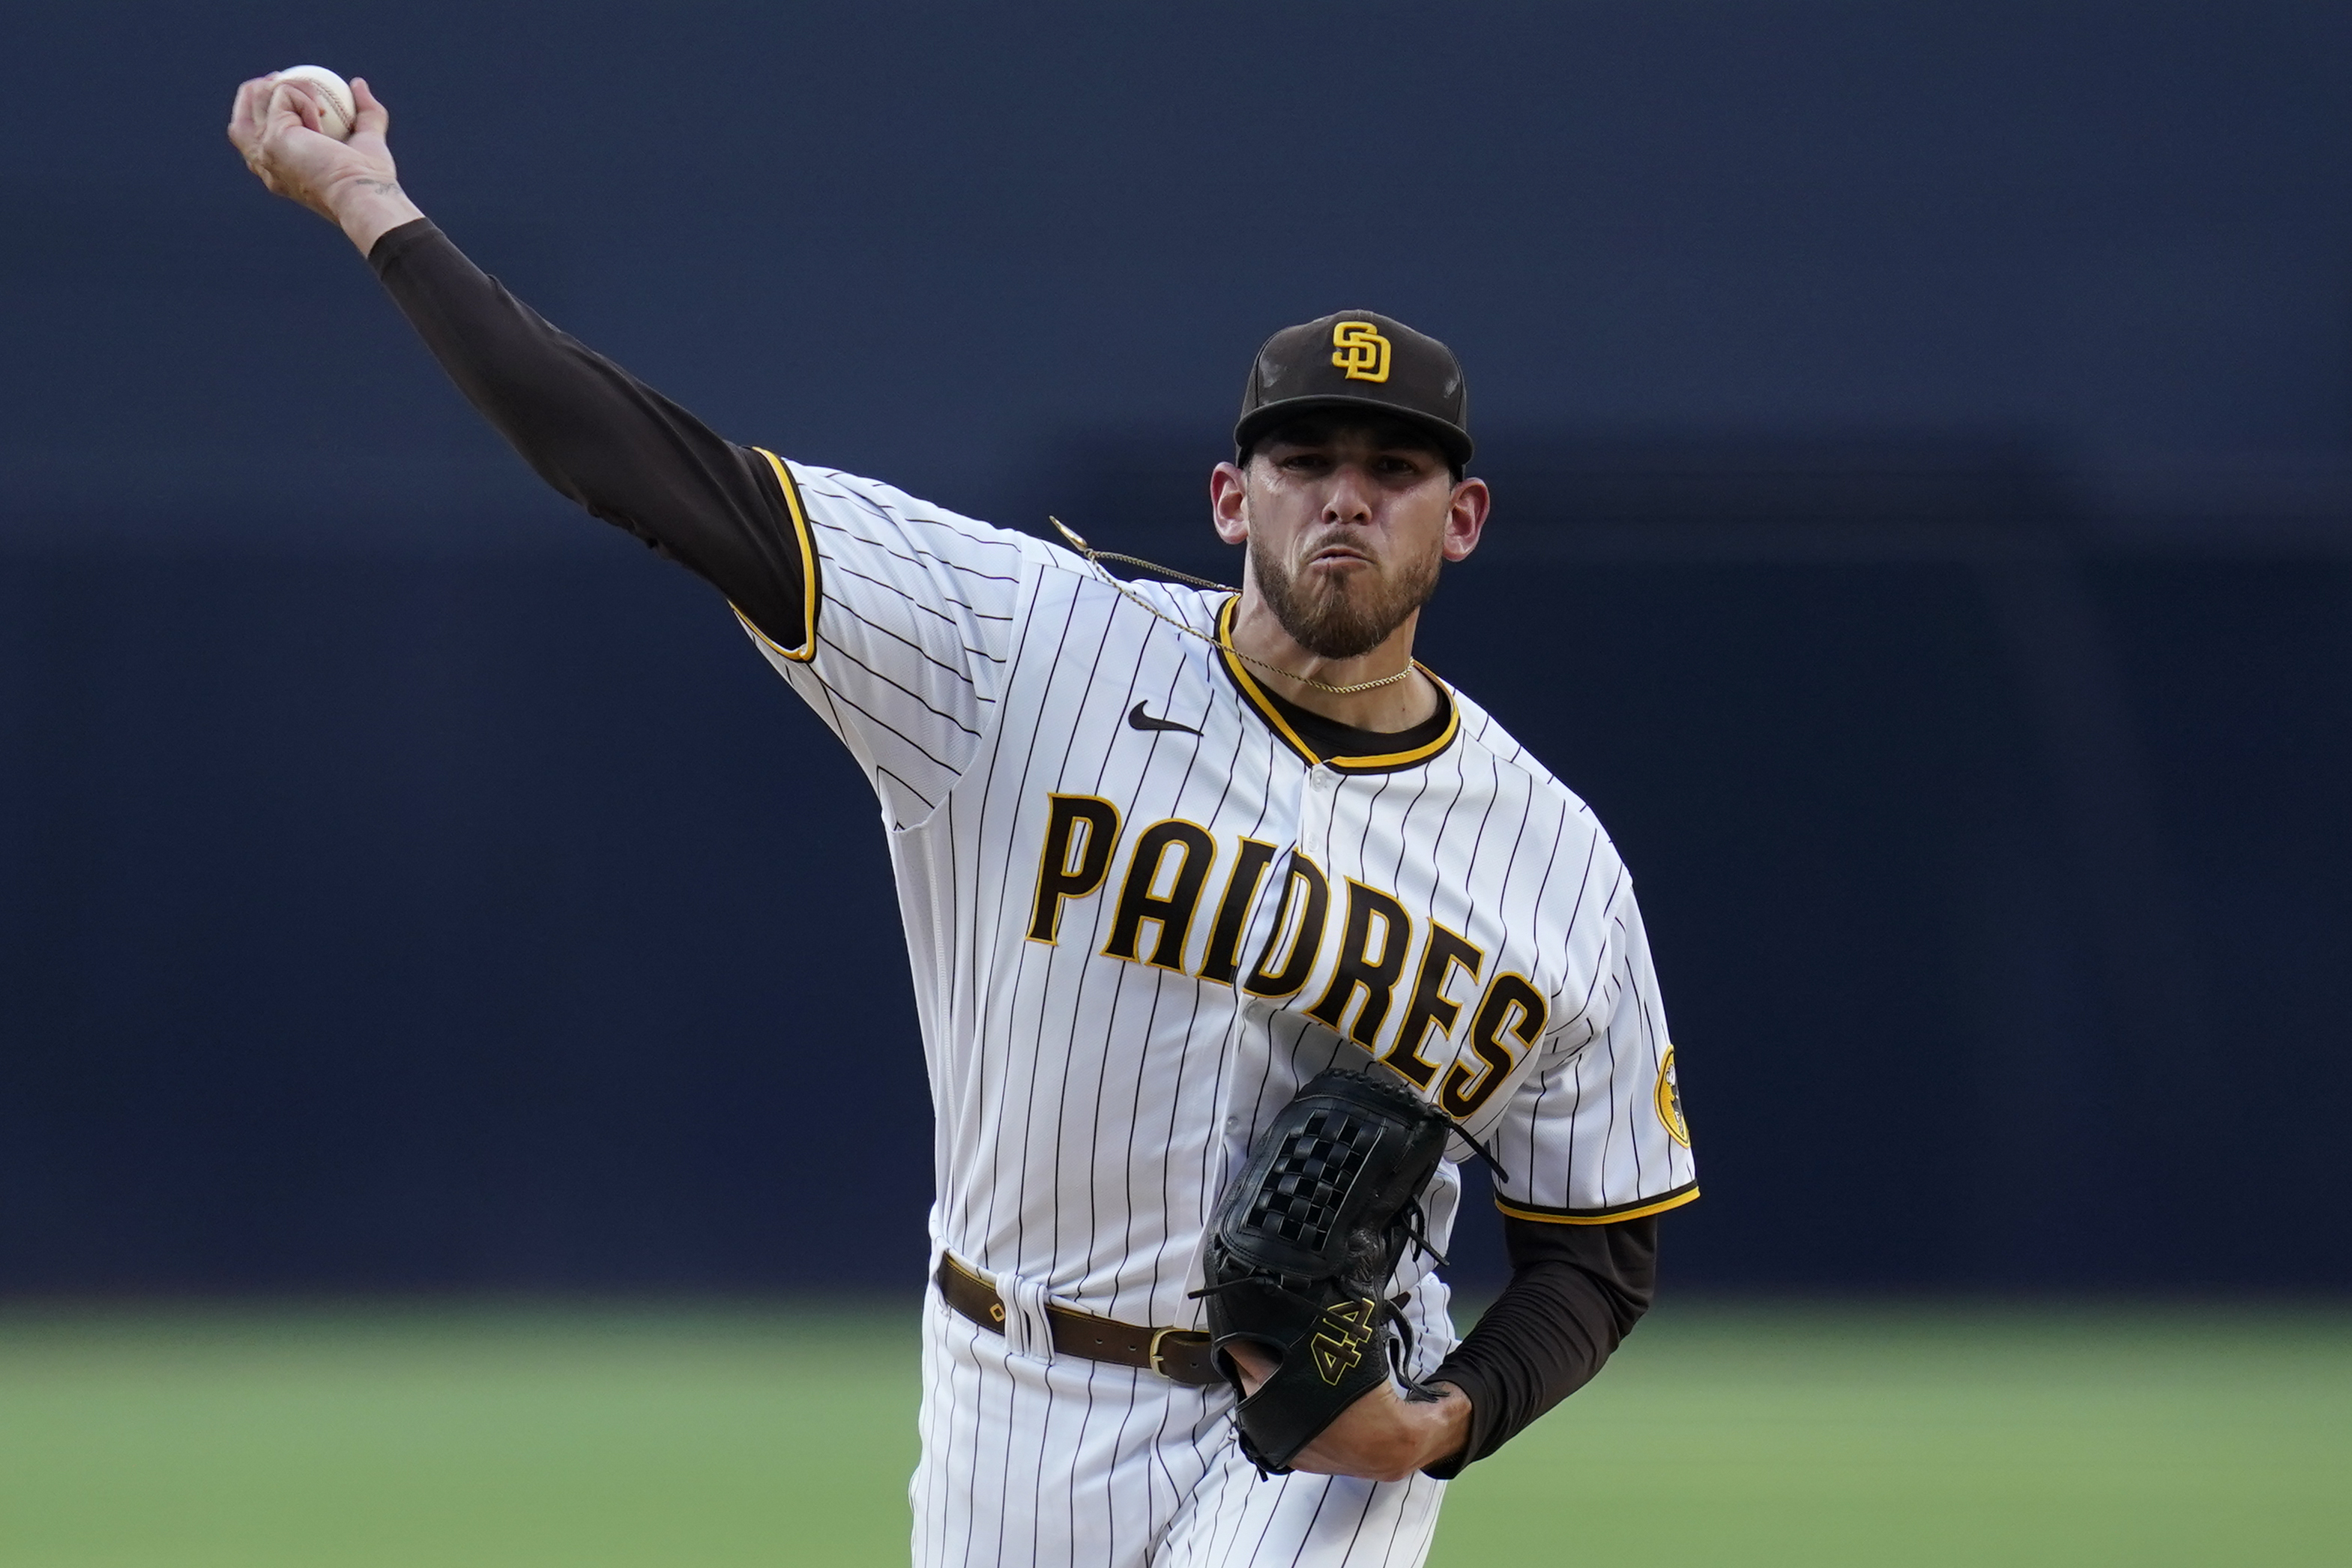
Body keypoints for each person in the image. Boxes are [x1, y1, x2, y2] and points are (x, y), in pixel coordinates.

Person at [229, 70, 1699, 1568]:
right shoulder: (1011, 645)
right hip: (1010, 1387)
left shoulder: (1555, 861)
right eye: (1305, 459)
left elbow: (1600, 1254)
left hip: (1323, 1436)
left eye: (1393, 468)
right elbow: (653, 473)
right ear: (1226, 496)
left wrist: (1439, 1418)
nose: (1345, 498)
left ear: (1461, 518)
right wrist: (369, 202)